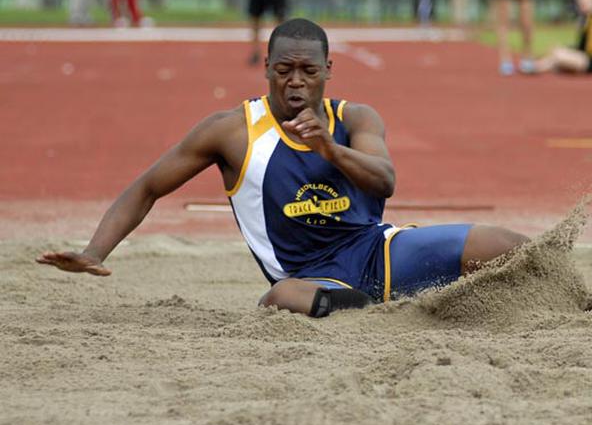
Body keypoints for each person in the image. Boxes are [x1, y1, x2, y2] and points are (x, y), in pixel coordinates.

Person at [36, 18, 529, 318]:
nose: (296, 84)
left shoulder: (355, 118)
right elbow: (146, 187)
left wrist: (330, 151)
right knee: (278, 298)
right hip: (310, 278)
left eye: (308, 72)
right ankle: (383, 312)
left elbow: (386, 181)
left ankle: (574, 299)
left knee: (503, 245)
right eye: (283, 70)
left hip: (380, 253)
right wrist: (92, 251)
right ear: (266, 68)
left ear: (328, 71)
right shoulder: (231, 131)